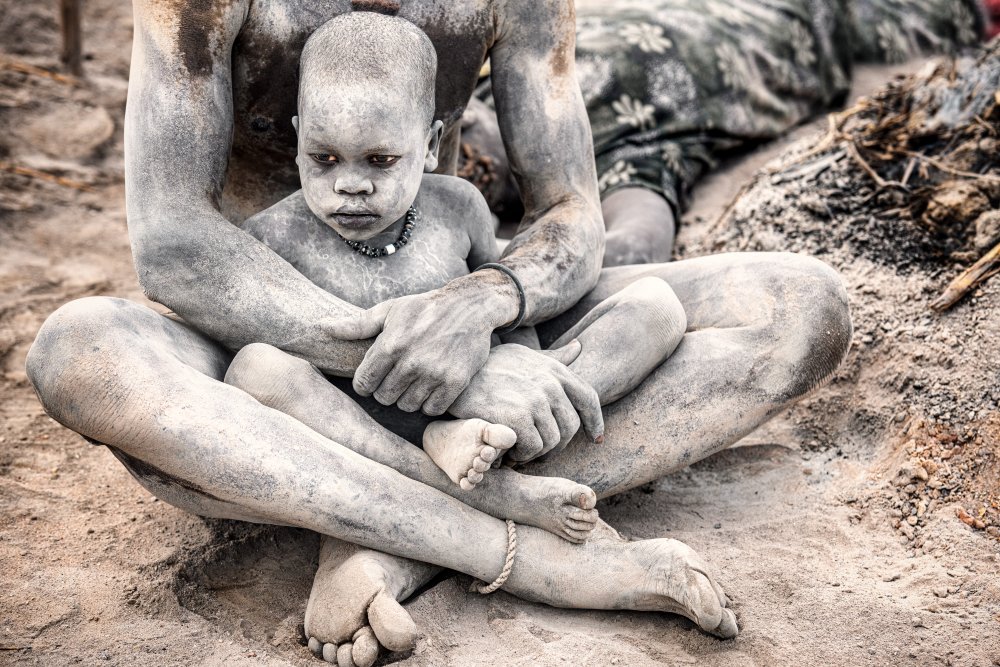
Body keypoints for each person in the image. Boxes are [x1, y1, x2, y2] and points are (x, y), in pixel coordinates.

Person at [23, 0, 852, 665]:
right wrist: (418, 358)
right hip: (263, 354)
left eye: (380, 163)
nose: (350, 184)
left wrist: (485, 305)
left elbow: (571, 211)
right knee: (79, 348)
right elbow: (173, 243)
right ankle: (519, 549)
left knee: (799, 307)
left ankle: (379, 548)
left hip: (445, 307)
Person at [460, 0, 989, 266]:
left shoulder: (497, 79)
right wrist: (504, 260)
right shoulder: (607, 161)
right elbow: (633, 242)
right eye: (467, 168)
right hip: (816, 29)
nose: (453, 135)